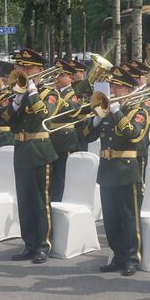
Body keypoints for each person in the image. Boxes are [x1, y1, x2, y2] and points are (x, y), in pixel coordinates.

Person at [81, 66, 150, 276]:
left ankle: (132, 258)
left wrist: (117, 112)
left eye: (118, 86)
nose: (114, 89)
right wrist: (95, 120)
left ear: (129, 89)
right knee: (111, 219)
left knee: (129, 218)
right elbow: (85, 136)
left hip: (127, 170)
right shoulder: (106, 110)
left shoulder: (139, 111)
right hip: (107, 169)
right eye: (113, 85)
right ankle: (117, 256)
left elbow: (134, 134)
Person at [0, 48, 60, 263]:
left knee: (40, 201)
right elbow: (6, 119)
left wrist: (32, 92)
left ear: (40, 70)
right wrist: (16, 101)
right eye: (21, 67)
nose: (24, 70)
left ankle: (43, 245)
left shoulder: (49, 92)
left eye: (29, 67)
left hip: (40, 149)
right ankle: (29, 244)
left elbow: (44, 115)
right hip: (22, 150)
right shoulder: (18, 93)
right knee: (24, 201)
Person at [48, 59, 83, 201]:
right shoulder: (52, 91)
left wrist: (58, 100)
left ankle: (62, 202)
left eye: (61, 75)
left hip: (64, 139)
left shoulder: (73, 93)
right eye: (56, 74)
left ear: (70, 77)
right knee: (52, 175)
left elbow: (74, 108)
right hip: (51, 138)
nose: (57, 78)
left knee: (62, 175)